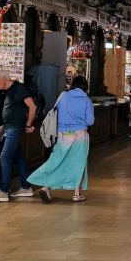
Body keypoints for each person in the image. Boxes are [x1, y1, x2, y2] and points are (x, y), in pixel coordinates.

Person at [28, 75, 95, 203]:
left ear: (73, 84)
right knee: (78, 164)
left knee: (57, 161)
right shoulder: (86, 100)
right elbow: (90, 121)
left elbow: (55, 113)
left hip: (63, 134)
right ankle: (76, 194)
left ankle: (46, 187)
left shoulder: (63, 96)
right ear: (85, 86)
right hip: (80, 136)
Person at [0, 68, 37, 203]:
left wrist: (28, 125)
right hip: (9, 127)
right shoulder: (7, 90)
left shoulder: (19, 88)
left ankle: (3, 191)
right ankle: (26, 187)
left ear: (3, 79)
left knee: (5, 156)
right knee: (18, 157)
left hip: (14, 128)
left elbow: (33, 107)